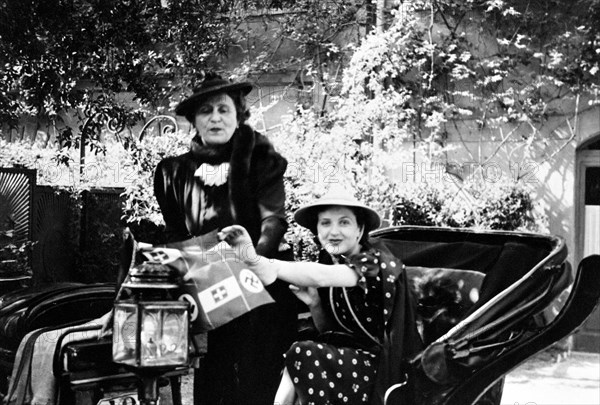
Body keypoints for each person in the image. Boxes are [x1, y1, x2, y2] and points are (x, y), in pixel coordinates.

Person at [154, 73, 297, 405]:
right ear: (194, 120)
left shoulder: (260, 158)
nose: (215, 117)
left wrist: (253, 265)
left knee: (255, 375)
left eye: (223, 109)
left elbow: (273, 221)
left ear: (238, 115)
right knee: (214, 375)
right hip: (208, 279)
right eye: (206, 110)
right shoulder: (173, 172)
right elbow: (176, 233)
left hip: (261, 280)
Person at [213, 187, 424, 405]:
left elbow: (322, 276)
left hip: (387, 374)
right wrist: (314, 304)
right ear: (317, 229)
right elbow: (331, 334)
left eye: (344, 222)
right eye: (326, 223)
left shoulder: (374, 260)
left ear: (359, 230)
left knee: (304, 354)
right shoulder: (333, 260)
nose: (334, 231)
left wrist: (268, 266)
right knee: (299, 355)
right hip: (355, 366)